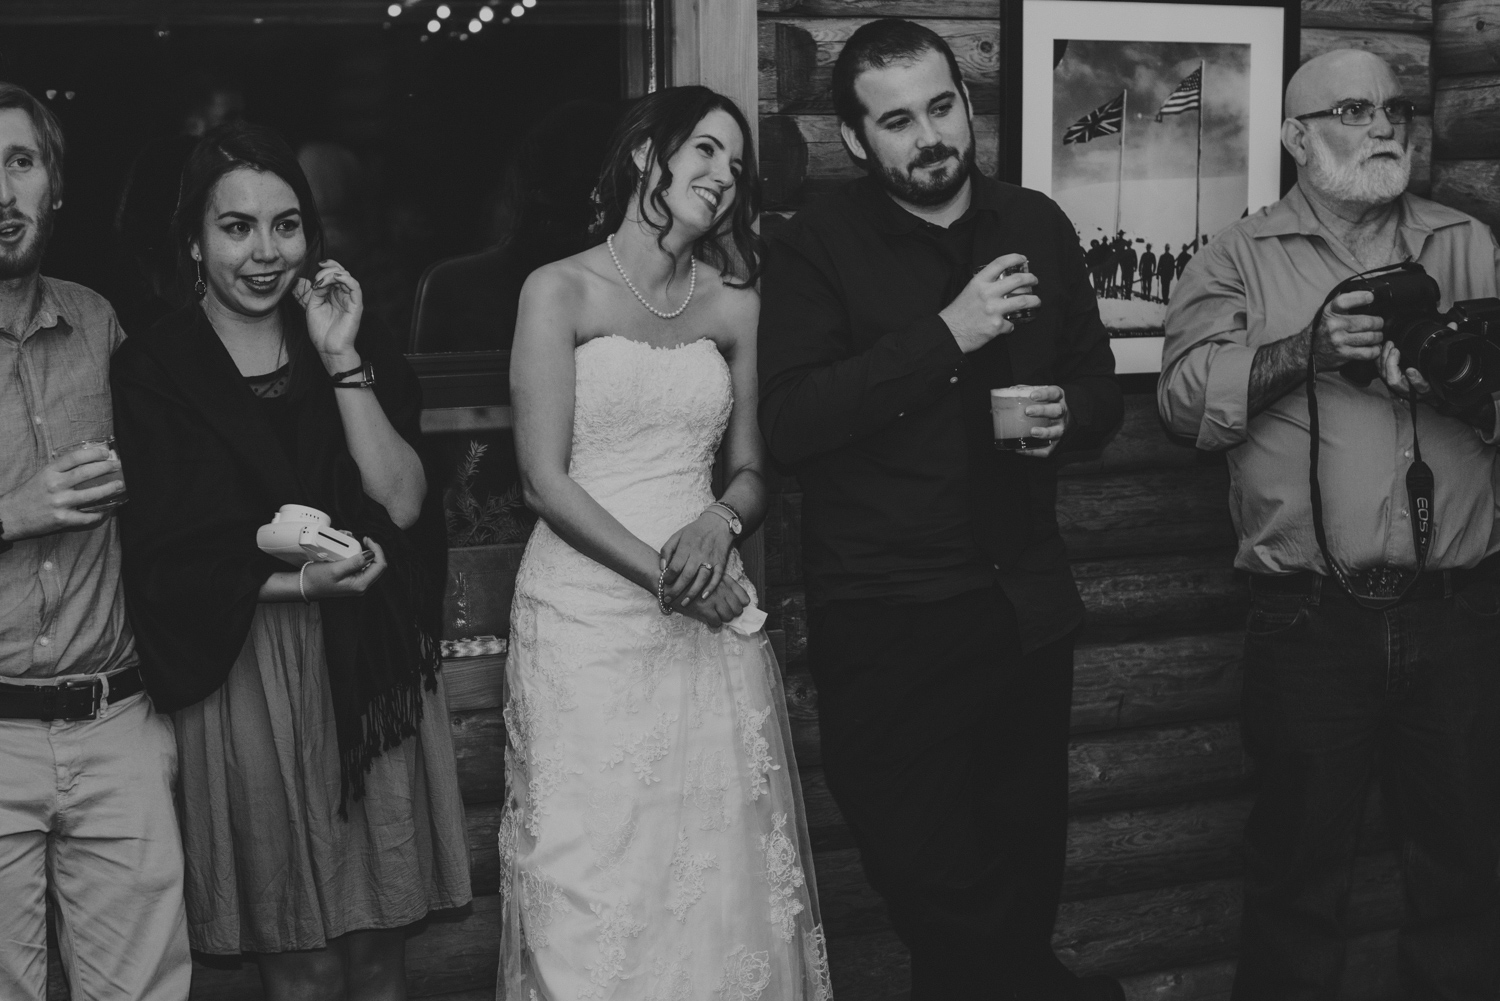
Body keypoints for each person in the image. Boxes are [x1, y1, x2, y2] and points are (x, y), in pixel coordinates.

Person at [759, 18, 1124, 1001]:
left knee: (1019, 875)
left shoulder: (1034, 222)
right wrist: (948, 333)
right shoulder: (814, 246)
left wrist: (1070, 414)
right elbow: (791, 421)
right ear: (852, 137)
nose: (928, 135)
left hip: (1021, 606)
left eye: (940, 106)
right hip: (887, 619)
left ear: (966, 102)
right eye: (896, 120)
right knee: (932, 880)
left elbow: (1097, 384)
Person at [1159, 49, 1500, 1000]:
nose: (1386, 125)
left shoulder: (1470, 243)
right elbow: (1184, 407)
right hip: (1308, 621)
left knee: (1467, 875)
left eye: (1395, 107)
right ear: (1295, 138)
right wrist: (1303, 350)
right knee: (1298, 881)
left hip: (1463, 613)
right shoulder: (1241, 255)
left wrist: (1469, 392)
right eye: (1353, 109)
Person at [111, 121, 471, 999]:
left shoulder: (349, 334)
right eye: (236, 227)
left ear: (311, 235)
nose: (264, 252)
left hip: (366, 673)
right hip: (245, 675)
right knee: (300, 967)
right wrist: (301, 581)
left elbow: (403, 503)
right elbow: (164, 562)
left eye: (286, 225)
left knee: (380, 954)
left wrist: (343, 358)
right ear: (194, 240)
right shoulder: (155, 366)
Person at [502, 85, 829, 999]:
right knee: (589, 884)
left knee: (714, 883)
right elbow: (542, 480)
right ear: (649, 151)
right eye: (707, 151)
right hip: (584, 626)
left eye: (737, 165)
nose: (723, 176)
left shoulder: (735, 306)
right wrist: (674, 577)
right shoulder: (557, 289)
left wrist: (719, 522)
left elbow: (755, 472)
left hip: (700, 630)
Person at [0, 80, 191, 1001]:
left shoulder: (101, 323)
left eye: (21, 163)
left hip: (116, 722)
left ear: (55, 186)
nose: (1, 193)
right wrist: (13, 510)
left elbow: (179, 483)